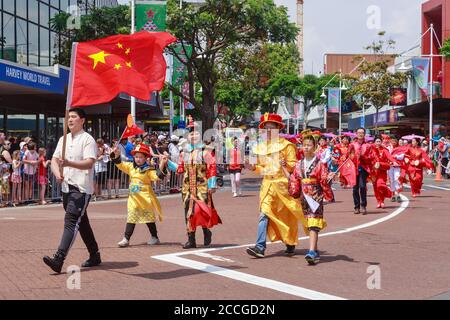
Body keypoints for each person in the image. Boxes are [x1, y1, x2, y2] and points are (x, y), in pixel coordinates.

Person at [43, 108, 101, 274]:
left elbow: (89, 162)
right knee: (81, 223)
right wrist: (56, 173)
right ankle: (94, 254)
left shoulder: (87, 139)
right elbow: (54, 160)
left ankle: (59, 259)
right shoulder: (63, 139)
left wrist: (68, 163)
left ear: (82, 120)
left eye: (74, 117)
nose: (69, 120)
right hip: (66, 187)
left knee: (71, 221)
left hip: (81, 188)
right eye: (68, 117)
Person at [245, 113, 304, 258]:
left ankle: (290, 242)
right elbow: (259, 167)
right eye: (266, 128)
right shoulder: (259, 147)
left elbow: (293, 167)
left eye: (271, 128)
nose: (268, 131)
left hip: (283, 187)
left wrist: (286, 164)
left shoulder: (287, 146)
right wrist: (252, 167)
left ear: (278, 128)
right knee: (263, 214)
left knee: (287, 216)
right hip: (267, 185)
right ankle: (260, 247)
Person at [168, 119, 221, 249]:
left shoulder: (206, 151)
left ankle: (206, 231)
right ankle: (191, 239)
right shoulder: (184, 152)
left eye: (196, 133)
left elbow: (211, 168)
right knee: (188, 213)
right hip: (187, 189)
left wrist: (212, 184)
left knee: (201, 211)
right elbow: (180, 169)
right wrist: (167, 162)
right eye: (191, 133)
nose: (193, 135)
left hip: (202, 187)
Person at [111, 143, 168, 248]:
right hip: (133, 200)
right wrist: (116, 154)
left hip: (145, 199)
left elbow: (157, 176)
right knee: (131, 218)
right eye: (136, 156)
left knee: (149, 219)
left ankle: (154, 237)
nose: (138, 159)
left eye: (141, 157)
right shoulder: (130, 167)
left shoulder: (148, 170)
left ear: (146, 158)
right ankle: (126, 239)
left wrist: (162, 164)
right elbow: (119, 164)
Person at [288, 135, 331, 265]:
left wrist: (328, 178)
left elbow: (323, 179)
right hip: (304, 197)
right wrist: (293, 190)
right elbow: (294, 179)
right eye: (304, 145)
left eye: (309, 145)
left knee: (313, 222)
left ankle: (311, 251)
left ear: (315, 147)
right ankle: (315, 251)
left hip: (315, 195)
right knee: (309, 222)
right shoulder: (298, 163)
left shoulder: (319, 163)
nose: (306, 147)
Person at [350, 128, 375, 215]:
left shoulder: (368, 146)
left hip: (363, 168)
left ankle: (363, 206)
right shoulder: (352, 145)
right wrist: (353, 157)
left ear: (364, 134)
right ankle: (356, 207)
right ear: (356, 134)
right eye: (359, 133)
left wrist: (363, 156)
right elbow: (348, 156)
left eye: (362, 133)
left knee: (362, 186)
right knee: (355, 188)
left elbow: (371, 157)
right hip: (354, 169)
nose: (360, 134)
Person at [371, 135, 395, 209]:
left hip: (382, 172)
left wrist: (393, 161)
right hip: (373, 172)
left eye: (379, 141)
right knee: (376, 188)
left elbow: (390, 157)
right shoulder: (371, 150)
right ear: (374, 142)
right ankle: (379, 201)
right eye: (377, 141)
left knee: (380, 185)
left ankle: (388, 195)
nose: (378, 143)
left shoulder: (384, 150)